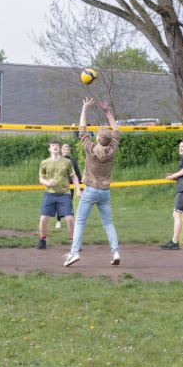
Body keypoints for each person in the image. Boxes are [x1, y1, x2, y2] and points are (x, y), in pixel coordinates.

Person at [64, 98, 121, 267]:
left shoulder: (91, 148)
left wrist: (84, 109)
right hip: (105, 191)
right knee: (108, 223)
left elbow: (82, 130)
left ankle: (74, 253)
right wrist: (107, 112)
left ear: (97, 139)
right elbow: (116, 129)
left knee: (80, 222)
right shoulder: (112, 148)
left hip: (90, 190)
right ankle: (115, 252)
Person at [37, 139, 77, 250]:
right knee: (43, 219)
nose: (55, 147)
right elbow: (41, 179)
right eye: (53, 145)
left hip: (64, 194)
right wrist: (47, 183)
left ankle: (73, 242)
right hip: (49, 194)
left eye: (57, 145)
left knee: (69, 219)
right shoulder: (44, 162)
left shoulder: (67, 162)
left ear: (59, 148)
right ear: (49, 148)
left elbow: (74, 177)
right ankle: (42, 240)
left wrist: (78, 190)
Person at [54, 143, 82, 230]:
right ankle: (58, 221)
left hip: (70, 185)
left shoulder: (73, 161)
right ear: (61, 151)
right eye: (64, 149)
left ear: (69, 151)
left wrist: (81, 186)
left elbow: (77, 173)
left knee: (68, 203)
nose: (65, 151)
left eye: (67, 149)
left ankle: (69, 221)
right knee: (60, 202)